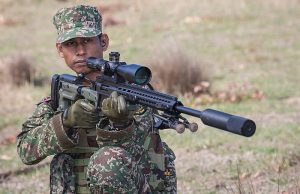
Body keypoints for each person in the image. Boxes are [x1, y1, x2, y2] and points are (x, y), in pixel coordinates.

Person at [17, 4, 177, 194]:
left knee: (108, 160)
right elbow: (25, 151)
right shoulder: (59, 97)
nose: (80, 51)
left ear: (103, 42)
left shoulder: (136, 96)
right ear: (60, 49)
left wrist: (120, 124)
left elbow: (141, 154)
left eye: (86, 41)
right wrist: (65, 121)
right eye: (71, 44)